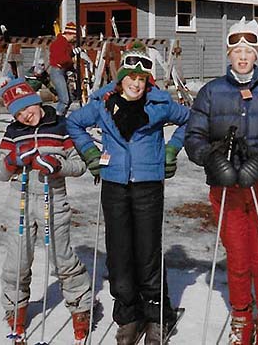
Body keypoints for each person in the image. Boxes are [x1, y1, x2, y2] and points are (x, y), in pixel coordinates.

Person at [184, 17, 258, 345]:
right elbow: (194, 138)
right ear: (229, 54)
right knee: (236, 256)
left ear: (257, 54)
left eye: (249, 50)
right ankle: (241, 317)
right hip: (226, 187)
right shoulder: (210, 93)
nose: (243, 56)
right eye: (237, 50)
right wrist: (210, 158)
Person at [67, 41, 189, 345]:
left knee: (147, 253)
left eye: (141, 79)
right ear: (120, 77)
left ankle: (158, 316)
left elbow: (192, 119)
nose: (136, 84)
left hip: (148, 184)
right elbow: (73, 123)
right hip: (114, 184)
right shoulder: (102, 103)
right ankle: (129, 316)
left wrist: (172, 150)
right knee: (120, 255)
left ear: (147, 79)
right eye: (130, 78)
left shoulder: (159, 104)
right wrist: (90, 155)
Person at [0, 75, 92, 345]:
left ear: (36, 101)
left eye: (28, 107)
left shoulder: (60, 127)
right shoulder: (12, 132)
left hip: (53, 199)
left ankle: (80, 307)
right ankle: (15, 310)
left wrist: (57, 166)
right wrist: (12, 161)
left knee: (62, 259)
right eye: (19, 113)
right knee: (17, 260)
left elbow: (79, 165)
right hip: (20, 200)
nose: (26, 116)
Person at [49, 22, 77, 116]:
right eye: (74, 35)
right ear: (69, 33)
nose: (74, 38)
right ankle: (57, 118)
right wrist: (71, 60)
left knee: (70, 98)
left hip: (62, 71)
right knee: (64, 99)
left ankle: (62, 117)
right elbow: (61, 59)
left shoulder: (66, 44)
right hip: (57, 71)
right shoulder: (59, 43)